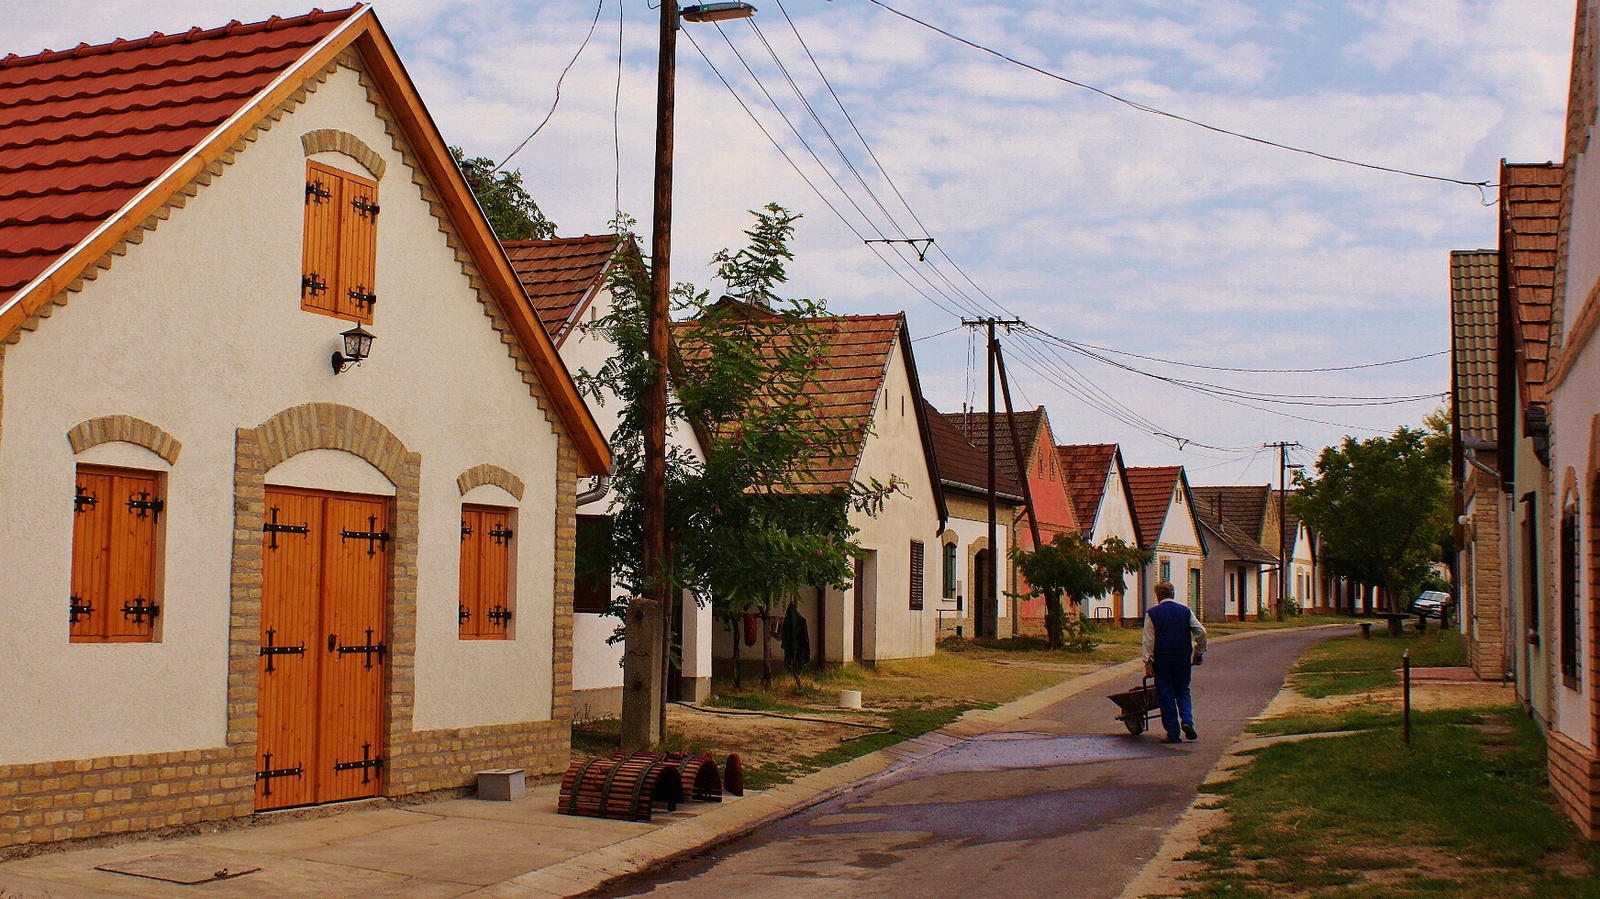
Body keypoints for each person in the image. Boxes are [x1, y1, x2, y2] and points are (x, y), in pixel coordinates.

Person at [1142, 580, 1207, 744]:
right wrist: (1198, 652)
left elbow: (1148, 641)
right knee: (1183, 691)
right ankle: (1187, 721)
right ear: (1173, 594)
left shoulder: (1152, 613)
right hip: (1182, 658)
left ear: (1158, 596)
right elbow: (1201, 631)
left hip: (1162, 659)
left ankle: (1173, 733)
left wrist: (1148, 664)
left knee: (1166, 695)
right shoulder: (1185, 611)